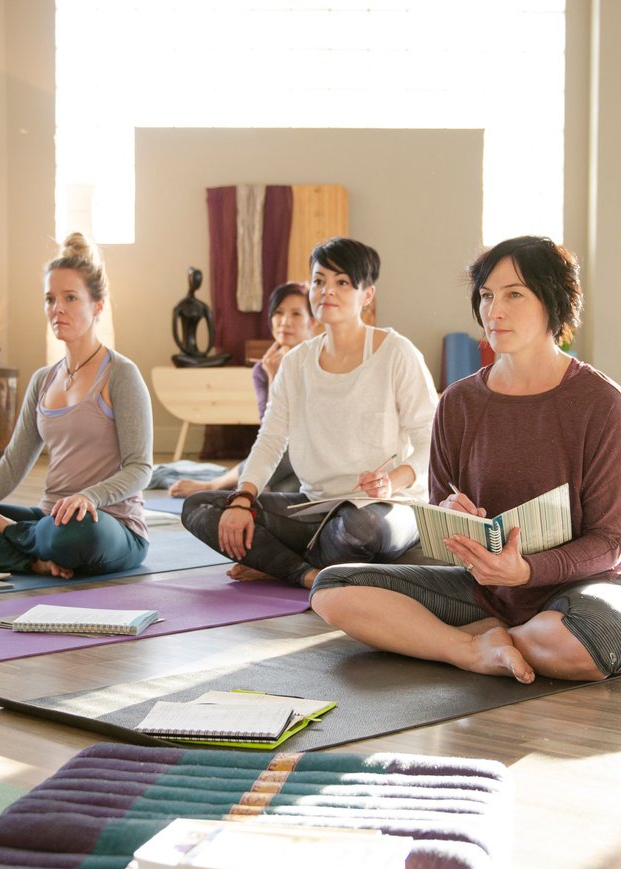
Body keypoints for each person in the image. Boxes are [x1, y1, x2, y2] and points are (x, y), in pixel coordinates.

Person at [312, 236, 621, 683]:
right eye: (487, 295)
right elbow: (439, 508)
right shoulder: (458, 402)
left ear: (554, 300)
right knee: (332, 589)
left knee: (590, 643)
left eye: (514, 294)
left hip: (575, 589)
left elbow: (610, 540)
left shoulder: (602, 403)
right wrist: (451, 518)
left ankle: (471, 638)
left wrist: (528, 570)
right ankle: (472, 649)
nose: (494, 311)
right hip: (482, 588)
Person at [181, 237, 438, 588]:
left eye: (342, 282)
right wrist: (243, 498)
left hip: (388, 507)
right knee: (201, 507)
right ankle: (306, 573)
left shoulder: (397, 353)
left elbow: (430, 441)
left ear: (367, 295)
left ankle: (276, 563)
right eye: (319, 281)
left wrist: (392, 480)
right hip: (314, 507)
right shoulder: (296, 362)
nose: (327, 291)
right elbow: (271, 439)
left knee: (359, 530)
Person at [0, 233, 153, 579]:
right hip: (50, 520)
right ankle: (34, 561)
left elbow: (140, 468)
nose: (58, 309)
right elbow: (12, 465)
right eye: (50, 299)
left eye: (70, 298)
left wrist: (88, 497)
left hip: (107, 525)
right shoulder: (43, 380)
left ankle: (11, 533)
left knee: (75, 533)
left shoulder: (121, 375)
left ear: (98, 305)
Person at [166, 281, 318, 497]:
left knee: (294, 451)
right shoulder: (263, 369)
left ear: (312, 321)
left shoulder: (321, 362)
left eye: (296, 314)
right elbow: (271, 431)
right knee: (285, 490)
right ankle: (254, 489)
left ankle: (215, 485)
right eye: (278, 313)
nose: (285, 322)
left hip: (317, 456)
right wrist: (273, 377)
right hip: (288, 462)